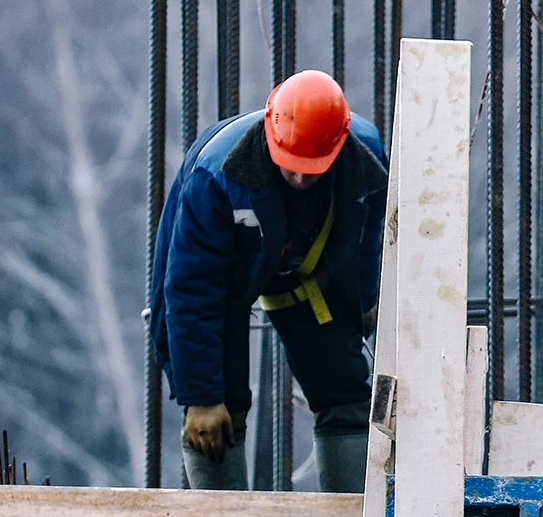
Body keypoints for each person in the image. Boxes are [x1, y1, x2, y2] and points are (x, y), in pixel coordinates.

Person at [149, 69, 388, 491]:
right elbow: (191, 289)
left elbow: (369, 237)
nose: (299, 179)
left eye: (312, 170)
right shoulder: (217, 175)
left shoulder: (364, 161)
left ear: (339, 146)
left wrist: (365, 298)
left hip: (309, 274)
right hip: (221, 283)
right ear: (270, 136)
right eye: (290, 167)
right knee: (217, 414)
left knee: (346, 396)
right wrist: (201, 396)